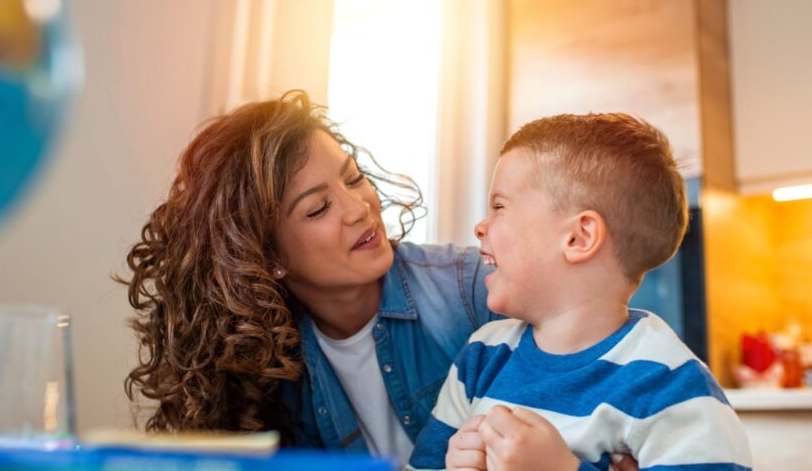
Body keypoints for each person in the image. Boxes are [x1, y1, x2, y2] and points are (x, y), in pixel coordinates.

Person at [118, 91, 639, 470]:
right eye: (319, 207)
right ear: (267, 256)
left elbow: (627, 394)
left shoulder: (474, 291)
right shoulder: (265, 363)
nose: (360, 208)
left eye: (352, 178)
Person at [408, 114, 752, 470]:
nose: (480, 226)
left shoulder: (667, 383)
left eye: (499, 207)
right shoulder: (482, 357)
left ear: (578, 237)